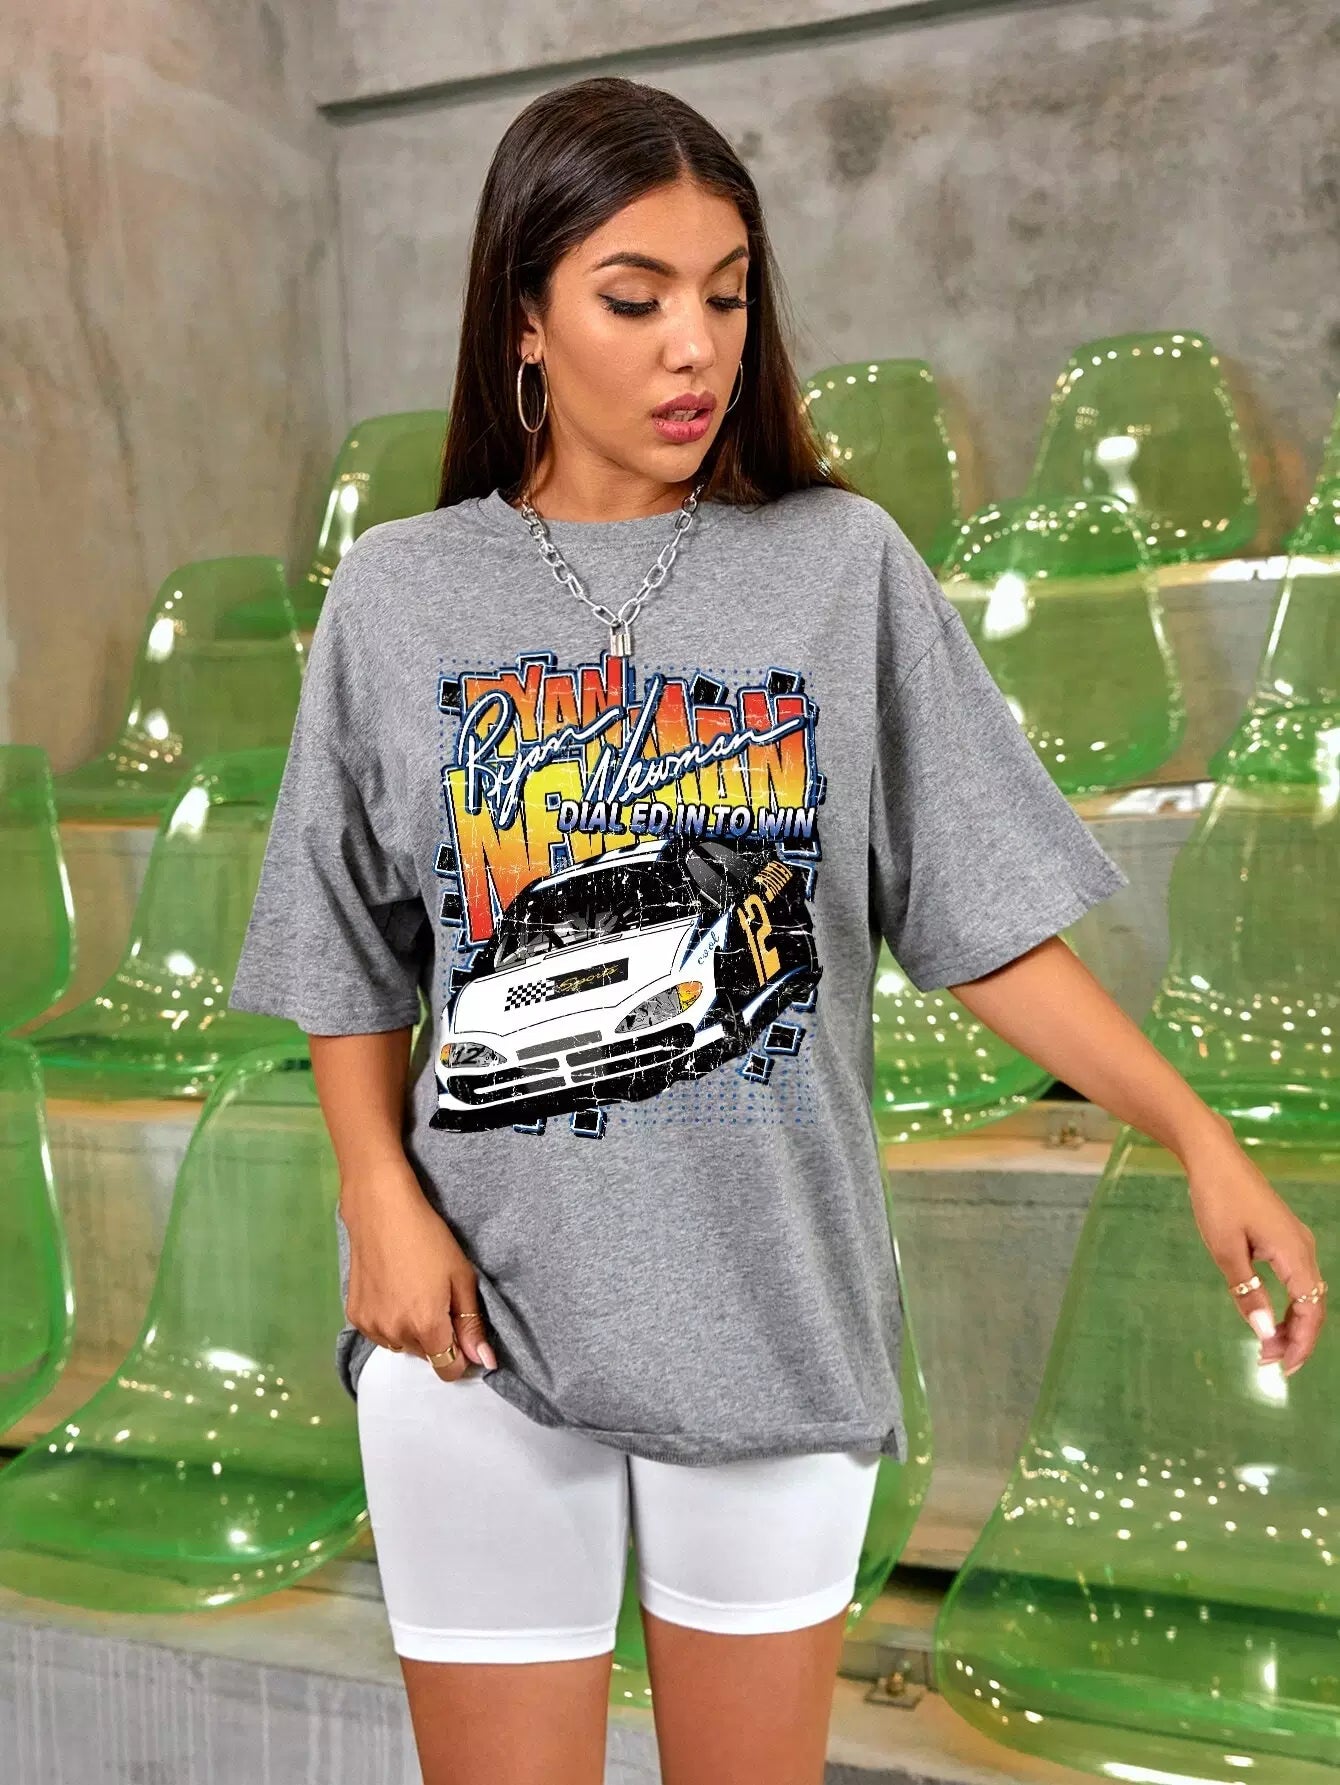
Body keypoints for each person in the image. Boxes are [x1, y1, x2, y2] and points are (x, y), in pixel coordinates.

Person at [228, 73, 1326, 1785]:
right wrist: (376, 1190)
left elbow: (977, 917)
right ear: (524, 320)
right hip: (472, 1329)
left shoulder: (840, 566)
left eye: (727, 296)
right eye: (635, 298)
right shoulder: (401, 591)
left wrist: (1193, 1128)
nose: (696, 348)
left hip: (773, 1311)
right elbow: (345, 940)